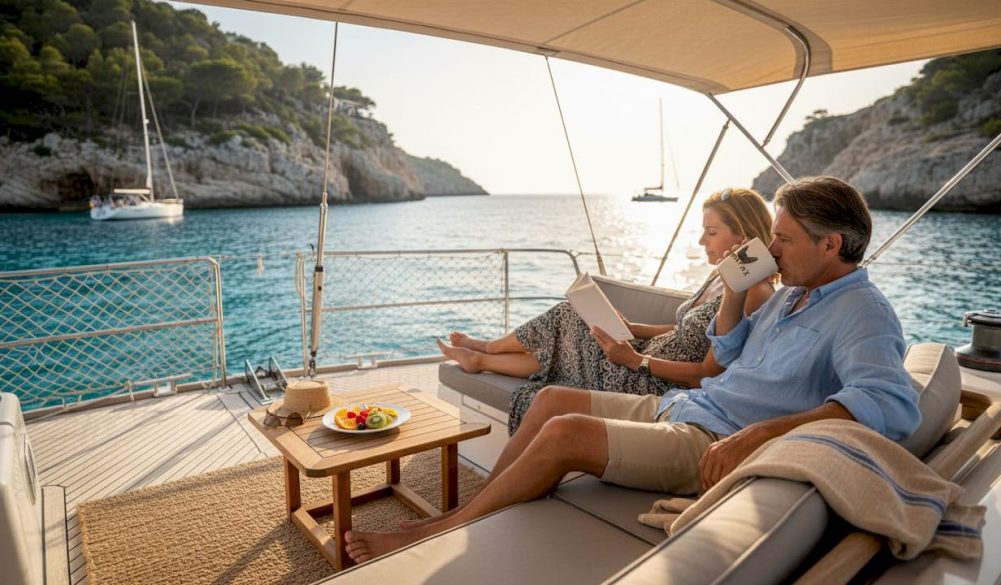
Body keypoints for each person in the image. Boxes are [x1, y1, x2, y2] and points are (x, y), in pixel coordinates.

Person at [345, 176, 921, 563]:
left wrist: (761, 434)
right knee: (550, 401)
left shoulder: (862, 312)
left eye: (783, 240)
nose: (771, 250)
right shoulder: (793, 295)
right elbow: (727, 352)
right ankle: (467, 513)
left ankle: (436, 532)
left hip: (713, 436)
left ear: (832, 245)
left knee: (565, 433)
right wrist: (733, 287)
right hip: (688, 406)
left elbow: (889, 402)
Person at [438, 187, 776, 434]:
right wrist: (633, 328)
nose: (703, 241)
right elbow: (684, 330)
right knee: (575, 321)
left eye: (712, 232)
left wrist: (635, 360)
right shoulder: (721, 276)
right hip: (641, 357)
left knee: (569, 321)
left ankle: (484, 349)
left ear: (742, 235)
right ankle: (480, 357)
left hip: (649, 380)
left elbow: (709, 371)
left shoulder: (752, 291)